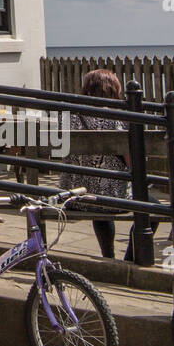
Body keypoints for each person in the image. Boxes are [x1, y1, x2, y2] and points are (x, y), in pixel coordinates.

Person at [58, 69, 144, 260]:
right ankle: (129, 258)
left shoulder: (69, 116)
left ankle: (108, 255)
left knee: (96, 192)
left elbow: (61, 154)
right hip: (111, 199)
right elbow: (133, 164)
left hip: (75, 198)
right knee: (153, 206)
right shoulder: (120, 118)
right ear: (113, 89)